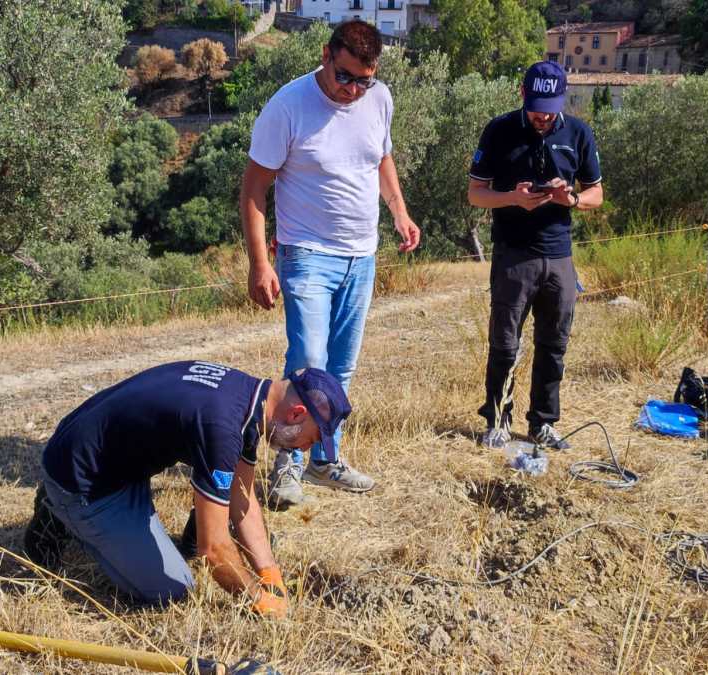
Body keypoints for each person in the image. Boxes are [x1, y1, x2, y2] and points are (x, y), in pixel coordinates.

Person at [239, 20, 420, 508]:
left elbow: (380, 157)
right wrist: (260, 263)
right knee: (309, 362)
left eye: (365, 79)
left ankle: (324, 459)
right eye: (345, 77)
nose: (354, 90)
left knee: (340, 369)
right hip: (306, 254)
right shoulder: (288, 106)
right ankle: (287, 467)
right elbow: (254, 190)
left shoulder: (377, 98)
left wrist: (399, 212)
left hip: (362, 255)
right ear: (326, 55)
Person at [22, 361, 351, 617]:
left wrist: (269, 573)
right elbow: (213, 550)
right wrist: (258, 599)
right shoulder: (223, 426)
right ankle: (58, 511)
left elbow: (243, 498)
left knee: (214, 516)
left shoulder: (249, 399)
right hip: (84, 482)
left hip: (116, 464)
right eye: (313, 437)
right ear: (297, 413)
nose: (307, 449)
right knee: (171, 589)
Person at [467, 60, 604, 451]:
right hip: (513, 254)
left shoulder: (578, 132)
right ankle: (498, 420)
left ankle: (543, 423)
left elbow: (596, 194)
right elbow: (476, 194)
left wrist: (571, 199)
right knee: (505, 344)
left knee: (554, 343)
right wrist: (513, 198)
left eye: (552, 106)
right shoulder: (499, 130)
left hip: (559, 256)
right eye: (537, 106)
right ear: (522, 94)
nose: (544, 116)